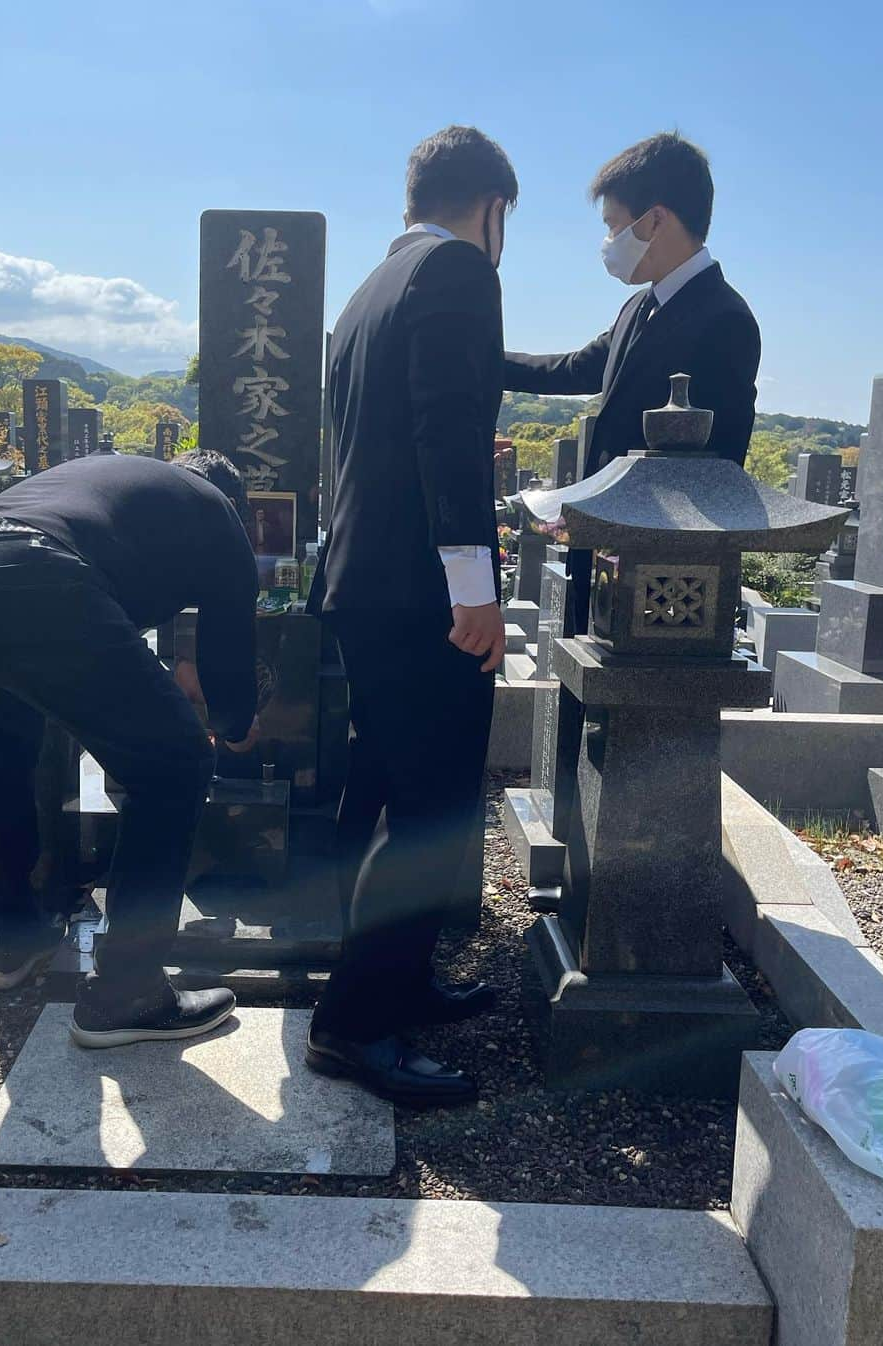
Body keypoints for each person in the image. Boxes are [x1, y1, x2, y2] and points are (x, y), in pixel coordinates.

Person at [0, 452, 260, 1049]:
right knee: (177, 764)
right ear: (235, 501)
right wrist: (235, 724)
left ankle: (13, 939)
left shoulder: (121, 478)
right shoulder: (218, 511)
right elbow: (228, 656)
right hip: (31, 577)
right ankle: (128, 991)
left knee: (3, 744)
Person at [305, 125, 517, 1107]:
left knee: (386, 790)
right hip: (423, 594)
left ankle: (396, 980)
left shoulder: (366, 295)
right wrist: (472, 585)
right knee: (429, 809)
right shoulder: (459, 273)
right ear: (493, 207)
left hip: (363, 586)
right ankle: (353, 1023)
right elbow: (445, 425)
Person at [505, 131, 761, 632]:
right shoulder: (640, 306)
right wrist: (485, 359)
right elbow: (578, 368)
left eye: (614, 225)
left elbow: (721, 465)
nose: (608, 242)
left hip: (660, 585)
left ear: (655, 219)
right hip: (602, 552)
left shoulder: (724, 318)